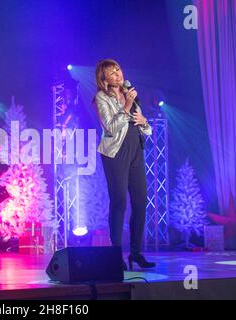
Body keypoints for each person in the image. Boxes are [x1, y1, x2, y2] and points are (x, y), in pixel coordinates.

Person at [93, 59, 156, 270]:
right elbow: (110, 127)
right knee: (119, 201)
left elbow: (146, 129)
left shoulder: (130, 94)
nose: (118, 74)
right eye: (112, 73)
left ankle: (136, 253)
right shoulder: (101, 98)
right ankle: (115, 254)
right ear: (104, 79)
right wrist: (127, 105)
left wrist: (144, 122)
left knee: (140, 202)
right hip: (115, 153)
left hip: (136, 150)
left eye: (118, 69)